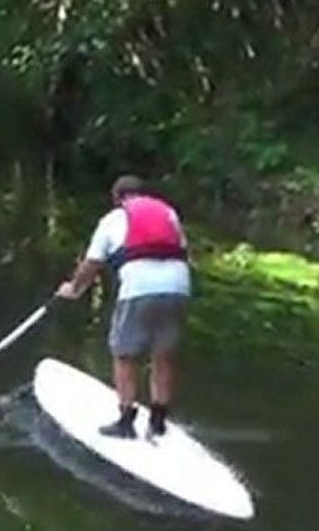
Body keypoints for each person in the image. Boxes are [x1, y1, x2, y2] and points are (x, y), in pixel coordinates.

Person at [55, 174, 191, 439]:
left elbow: (92, 263)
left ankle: (126, 422)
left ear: (117, 199)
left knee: (124, 354)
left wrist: (74, 288)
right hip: (178, 286)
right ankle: (158, 421)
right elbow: (182, 249)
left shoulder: (113, 219)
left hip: (139, 287)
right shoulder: (169, 213)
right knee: (163, 354)